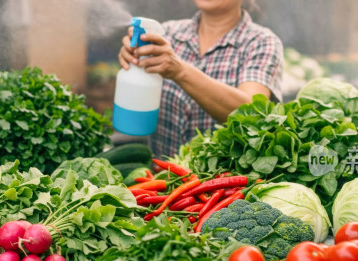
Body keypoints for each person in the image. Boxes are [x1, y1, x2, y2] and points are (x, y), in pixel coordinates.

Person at [118, 0, 283, 157]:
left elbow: (250, 113)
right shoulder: (166, 34)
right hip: (158, 180)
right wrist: (133, 60)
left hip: (224, 183)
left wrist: (180, 71)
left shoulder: (262, 42)